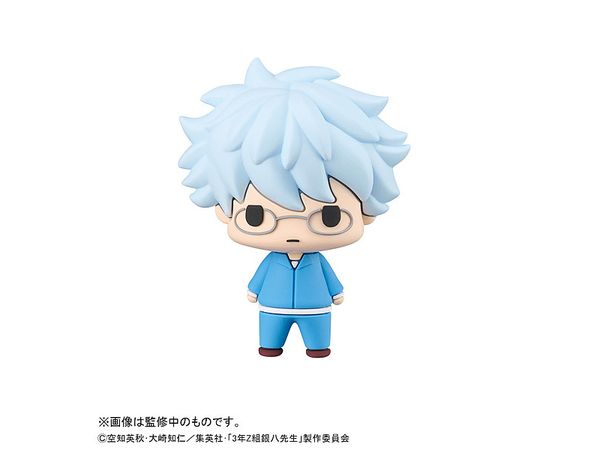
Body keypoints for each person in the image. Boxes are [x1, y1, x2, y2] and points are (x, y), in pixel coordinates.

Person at [179, 58, 409, 357]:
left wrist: (337, 292)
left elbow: (331, 281)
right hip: (273, 308)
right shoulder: (274, 261)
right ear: (224, 211)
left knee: (317, 336)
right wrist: (254, 290)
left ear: (366, 213)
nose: (293, 232)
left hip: (316, 309)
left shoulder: (316, 262)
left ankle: (317, 348)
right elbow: (259, 280)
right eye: (257, 216)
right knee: (270, 335)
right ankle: (271, 346)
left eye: (329, 217)